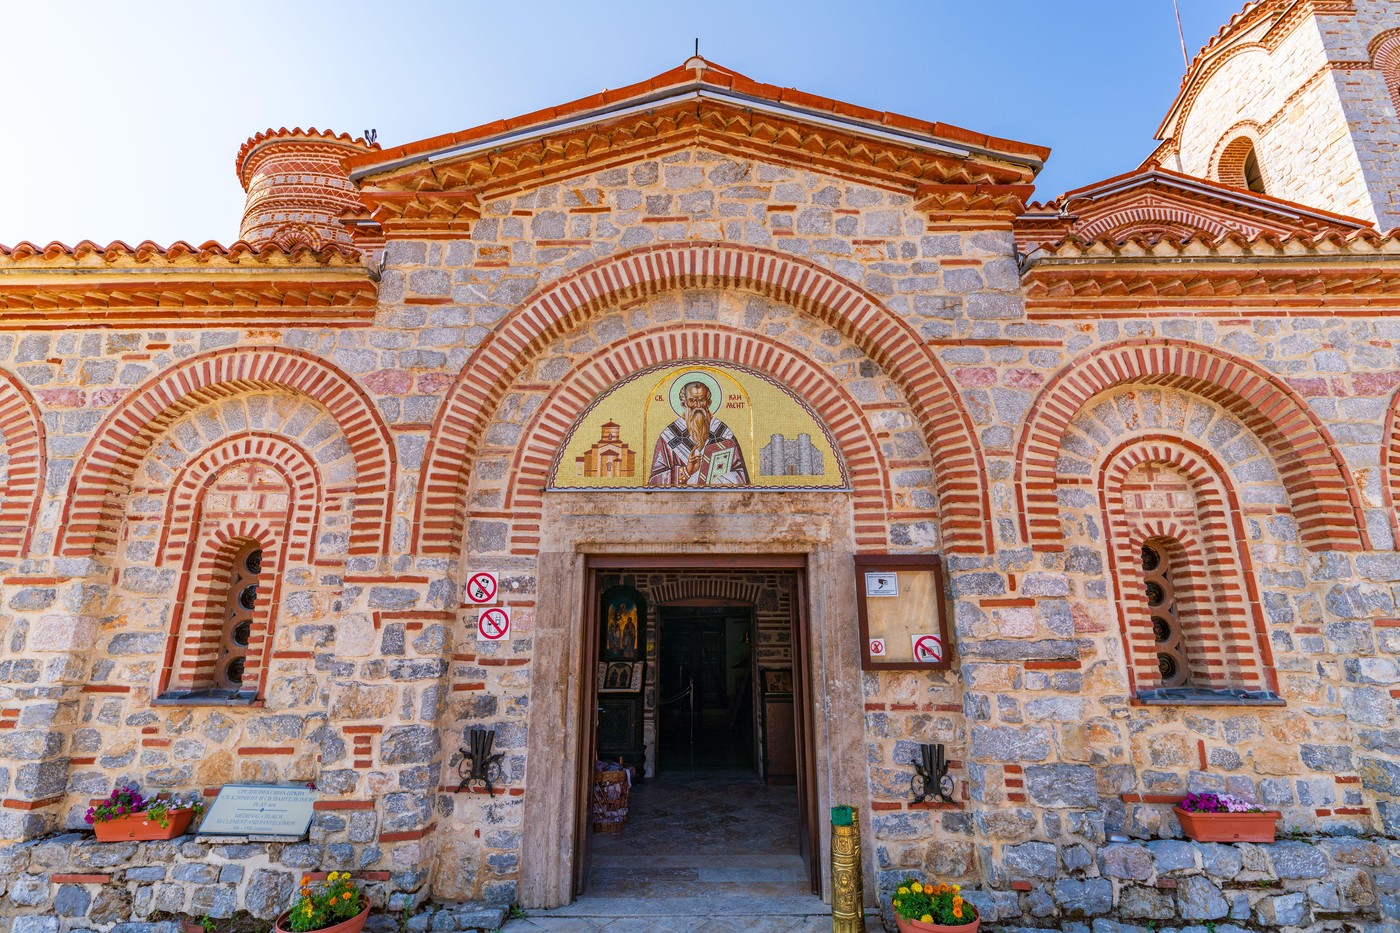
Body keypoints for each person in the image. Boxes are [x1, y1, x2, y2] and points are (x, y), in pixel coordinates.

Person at [648, 380, 750, 486]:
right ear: (684, 403)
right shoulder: (669, 436)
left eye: (702, 400)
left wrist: (716, 479)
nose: (698, 405)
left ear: (708, 403)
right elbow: (655, 480)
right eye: (692, 400)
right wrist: (686, 472)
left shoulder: (723, 433)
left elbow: (740, 475)